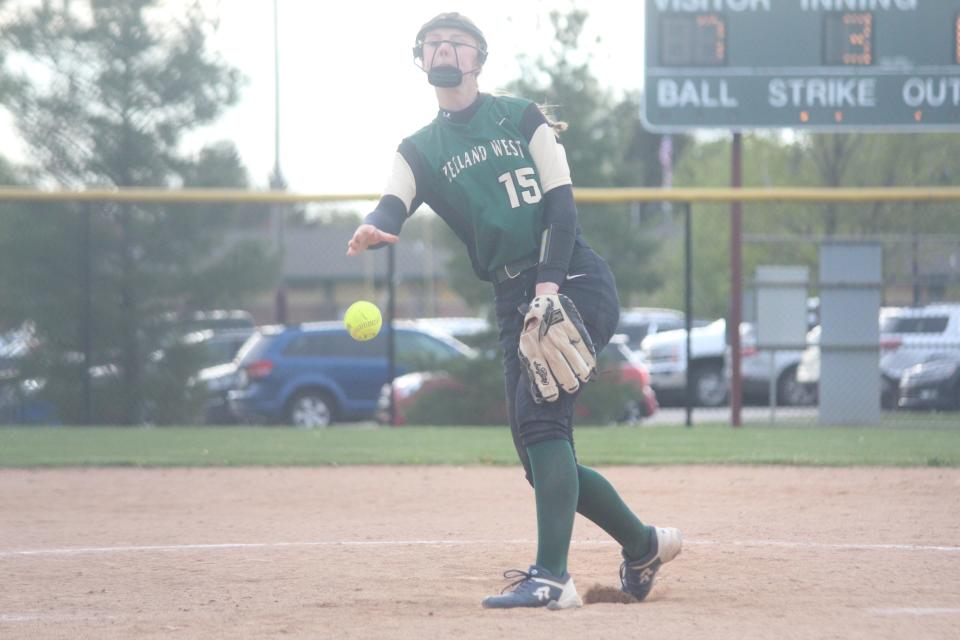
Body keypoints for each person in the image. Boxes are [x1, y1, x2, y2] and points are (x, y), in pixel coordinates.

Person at [346, 12, 681, 610]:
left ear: (479, 57)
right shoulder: (418, 148)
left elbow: (562, 207)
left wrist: (550, 286)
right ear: (420, 60)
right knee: (536, 452)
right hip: (510, 297)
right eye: (432, 44)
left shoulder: (521, 115)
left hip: (569, 274)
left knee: (544, 425)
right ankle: (643, 543)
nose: (443, 49)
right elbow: (393, 201)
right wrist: (376, 224)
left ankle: (552, 579)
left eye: (456, 42)